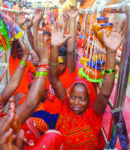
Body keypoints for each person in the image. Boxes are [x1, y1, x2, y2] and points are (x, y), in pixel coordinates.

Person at [49, 17, 125, 149]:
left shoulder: (94, 114)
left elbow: (105, 93)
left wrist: (111, 53)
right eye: (73, 97)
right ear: (68, 96)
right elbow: (54, 79)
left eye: (81, 99)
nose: (76, 102)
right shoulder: (66, 106)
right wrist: (54, 47)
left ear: (89, 100)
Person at [32, 8, 78, 114]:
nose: (59, 67)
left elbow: (70, 51)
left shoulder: (70, 72)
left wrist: (72, 19)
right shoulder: (51, 67)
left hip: (59, 116)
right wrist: (36, 23)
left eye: (62, 64)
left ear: (67, 64)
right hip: (45, 109)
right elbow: (37, 48)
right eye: (56, 63)